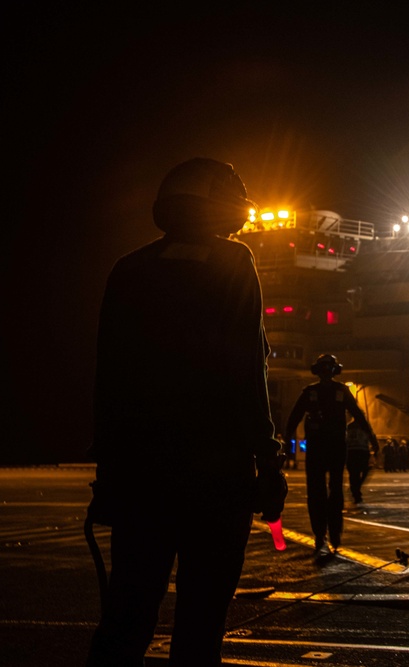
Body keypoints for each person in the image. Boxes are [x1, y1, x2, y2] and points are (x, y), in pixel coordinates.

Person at [85, 158, 286, 666]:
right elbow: (247, 370)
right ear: (223, 206)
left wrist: (109, 475)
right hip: (216, 478)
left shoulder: (129, 268)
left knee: (126, 617)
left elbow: (109, 380)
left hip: (140, 475)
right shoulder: (233, 262)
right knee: (200, 626)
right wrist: (268, 462)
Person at [284, 353, 378, 556]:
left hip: (323, 447)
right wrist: (372, 438)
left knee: (320, 491)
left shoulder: (314, 392)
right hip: (332, 447)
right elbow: (359, 415)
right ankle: (331, 533)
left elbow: (294, 418)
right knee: (333, 490)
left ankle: (323, 533)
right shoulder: (338, 391)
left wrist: (285, 440)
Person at [346, 417, 378, 504]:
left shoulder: (349, 426)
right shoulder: (365, 426)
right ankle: (356, 489)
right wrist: (375, 447)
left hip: (351, 452)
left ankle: (355, 489)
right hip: (362, 451)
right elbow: (371, 436)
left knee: (353, 474)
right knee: (365, 470)